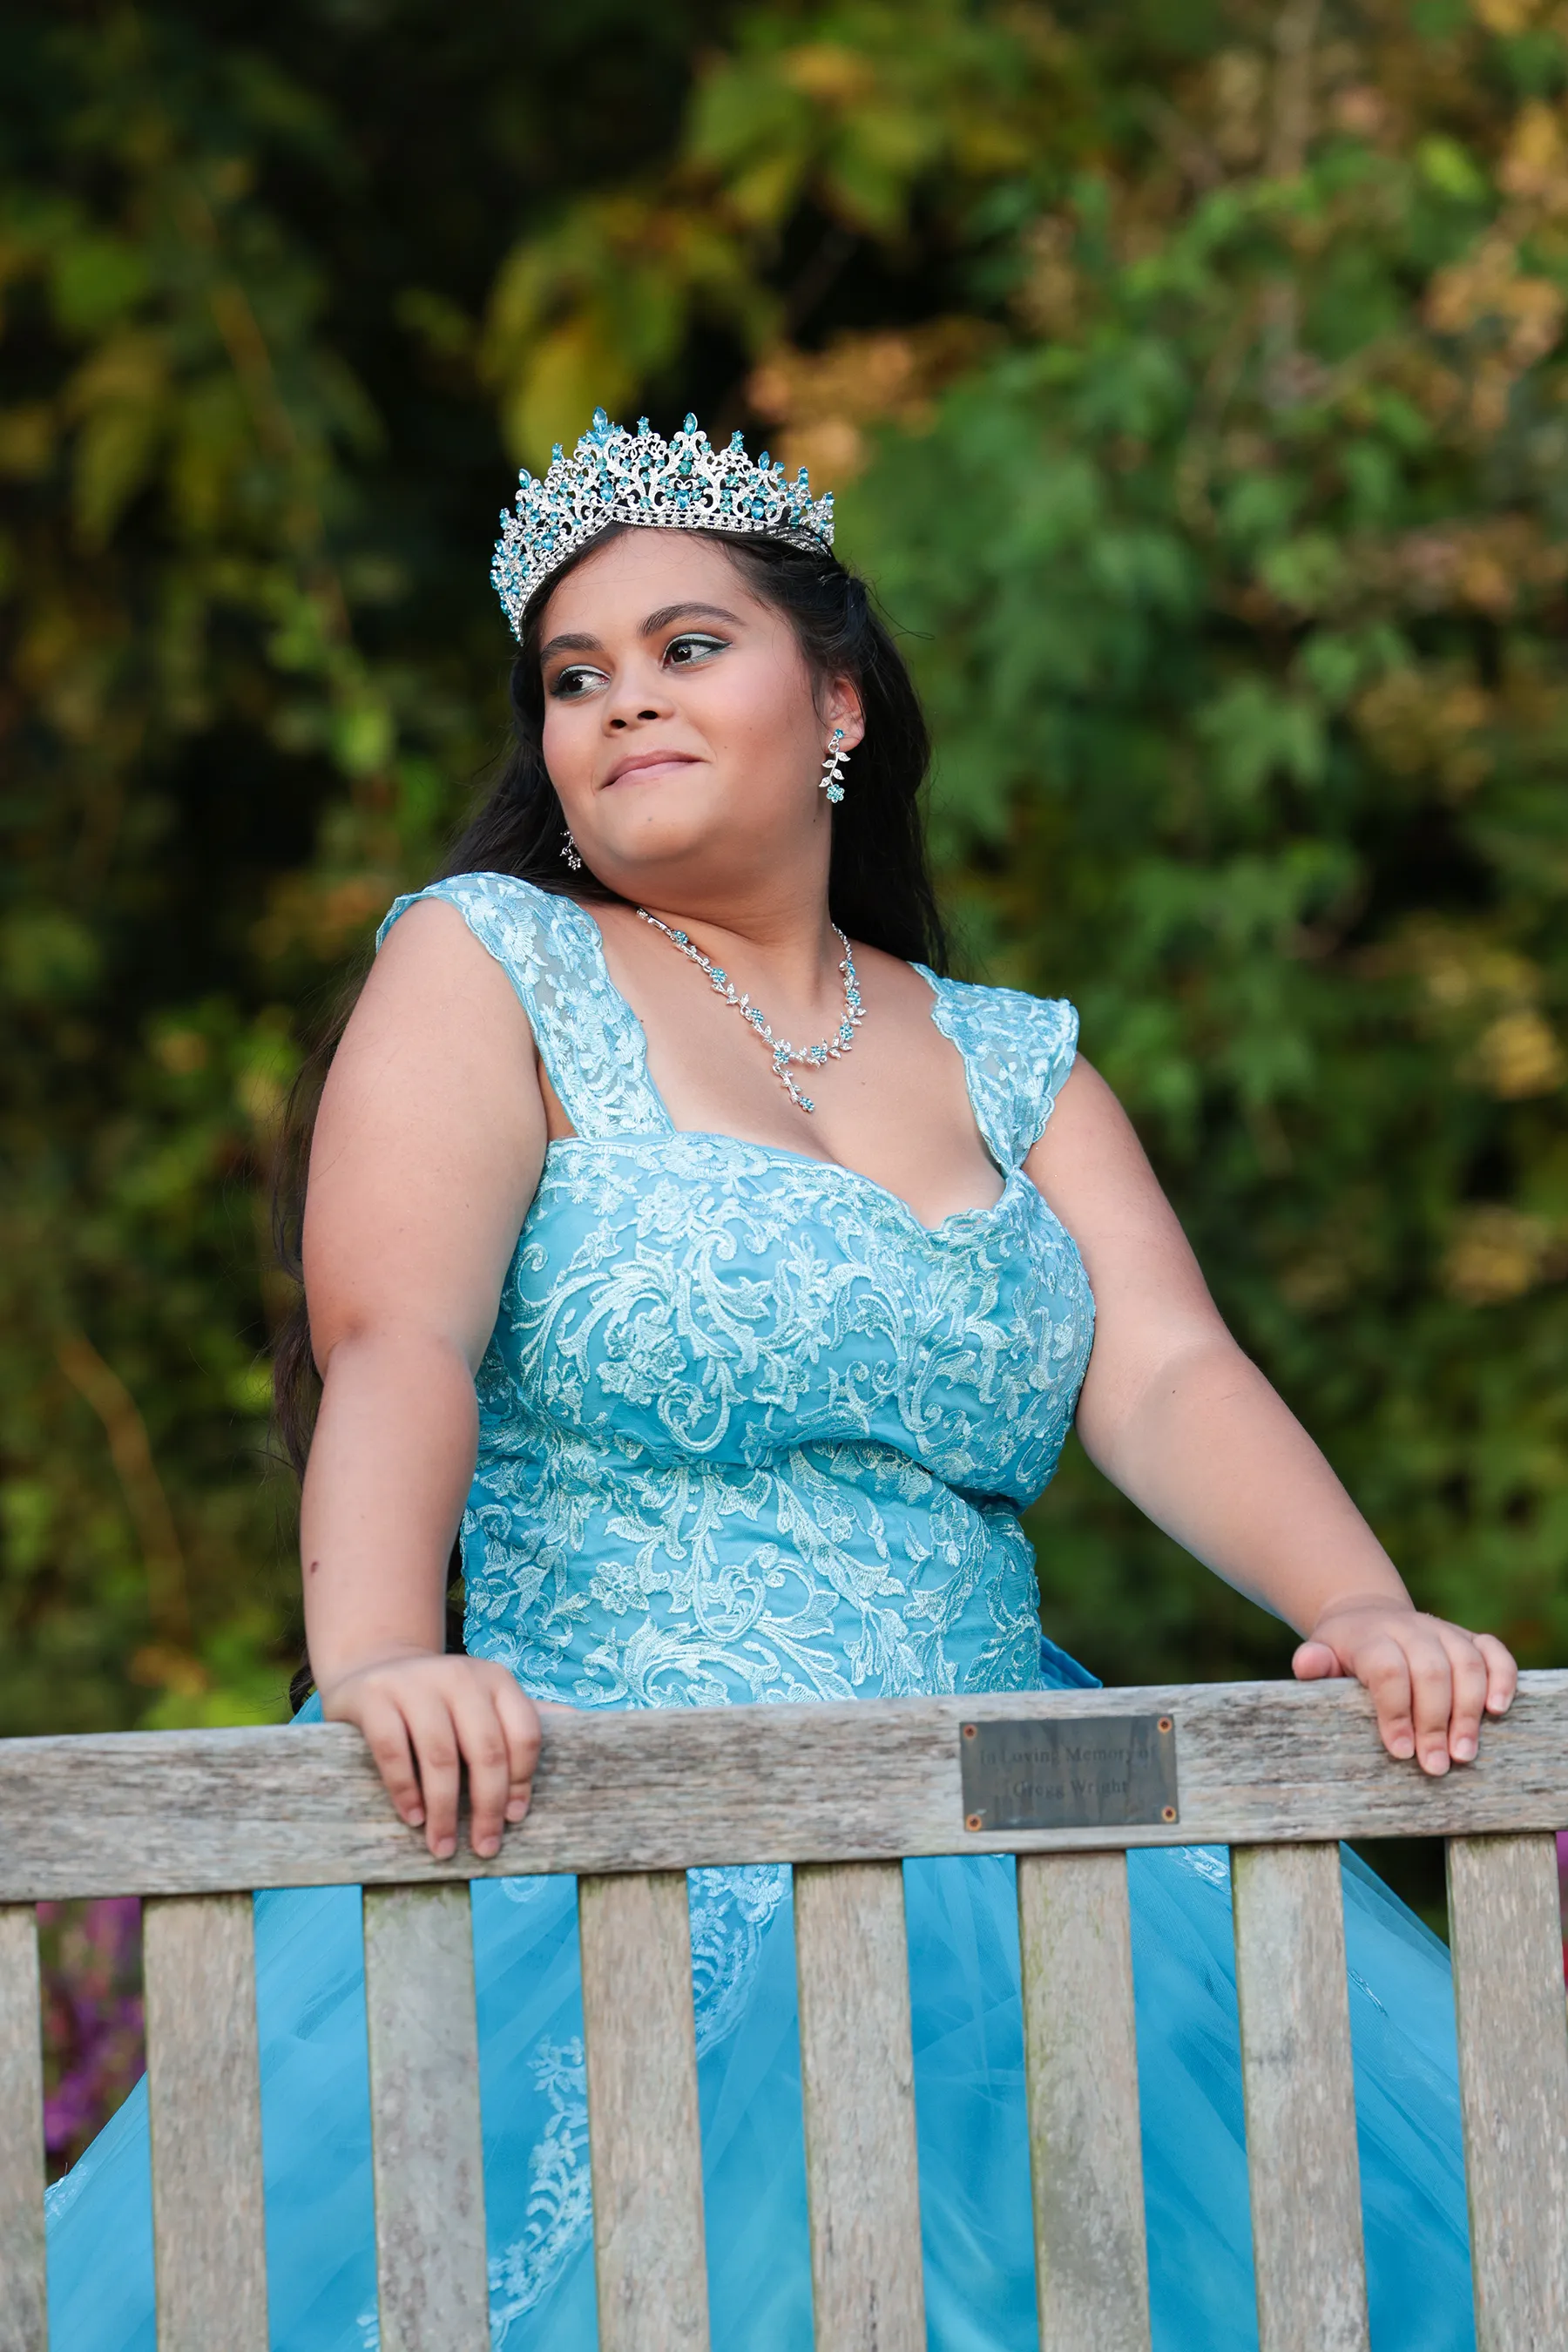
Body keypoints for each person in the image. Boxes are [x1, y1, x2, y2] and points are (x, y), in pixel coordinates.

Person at [48, 409, 1515, 2350]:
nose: (621, 703)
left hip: (1002, 1856)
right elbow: (393, 1334)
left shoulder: (1013, 1059)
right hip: (595, 1824)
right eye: (572, 681)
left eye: (682, 648)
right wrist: (388, 1652)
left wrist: (1362, 1606)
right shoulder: (494, 964)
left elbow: (1165, 1368)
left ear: (833, 699)